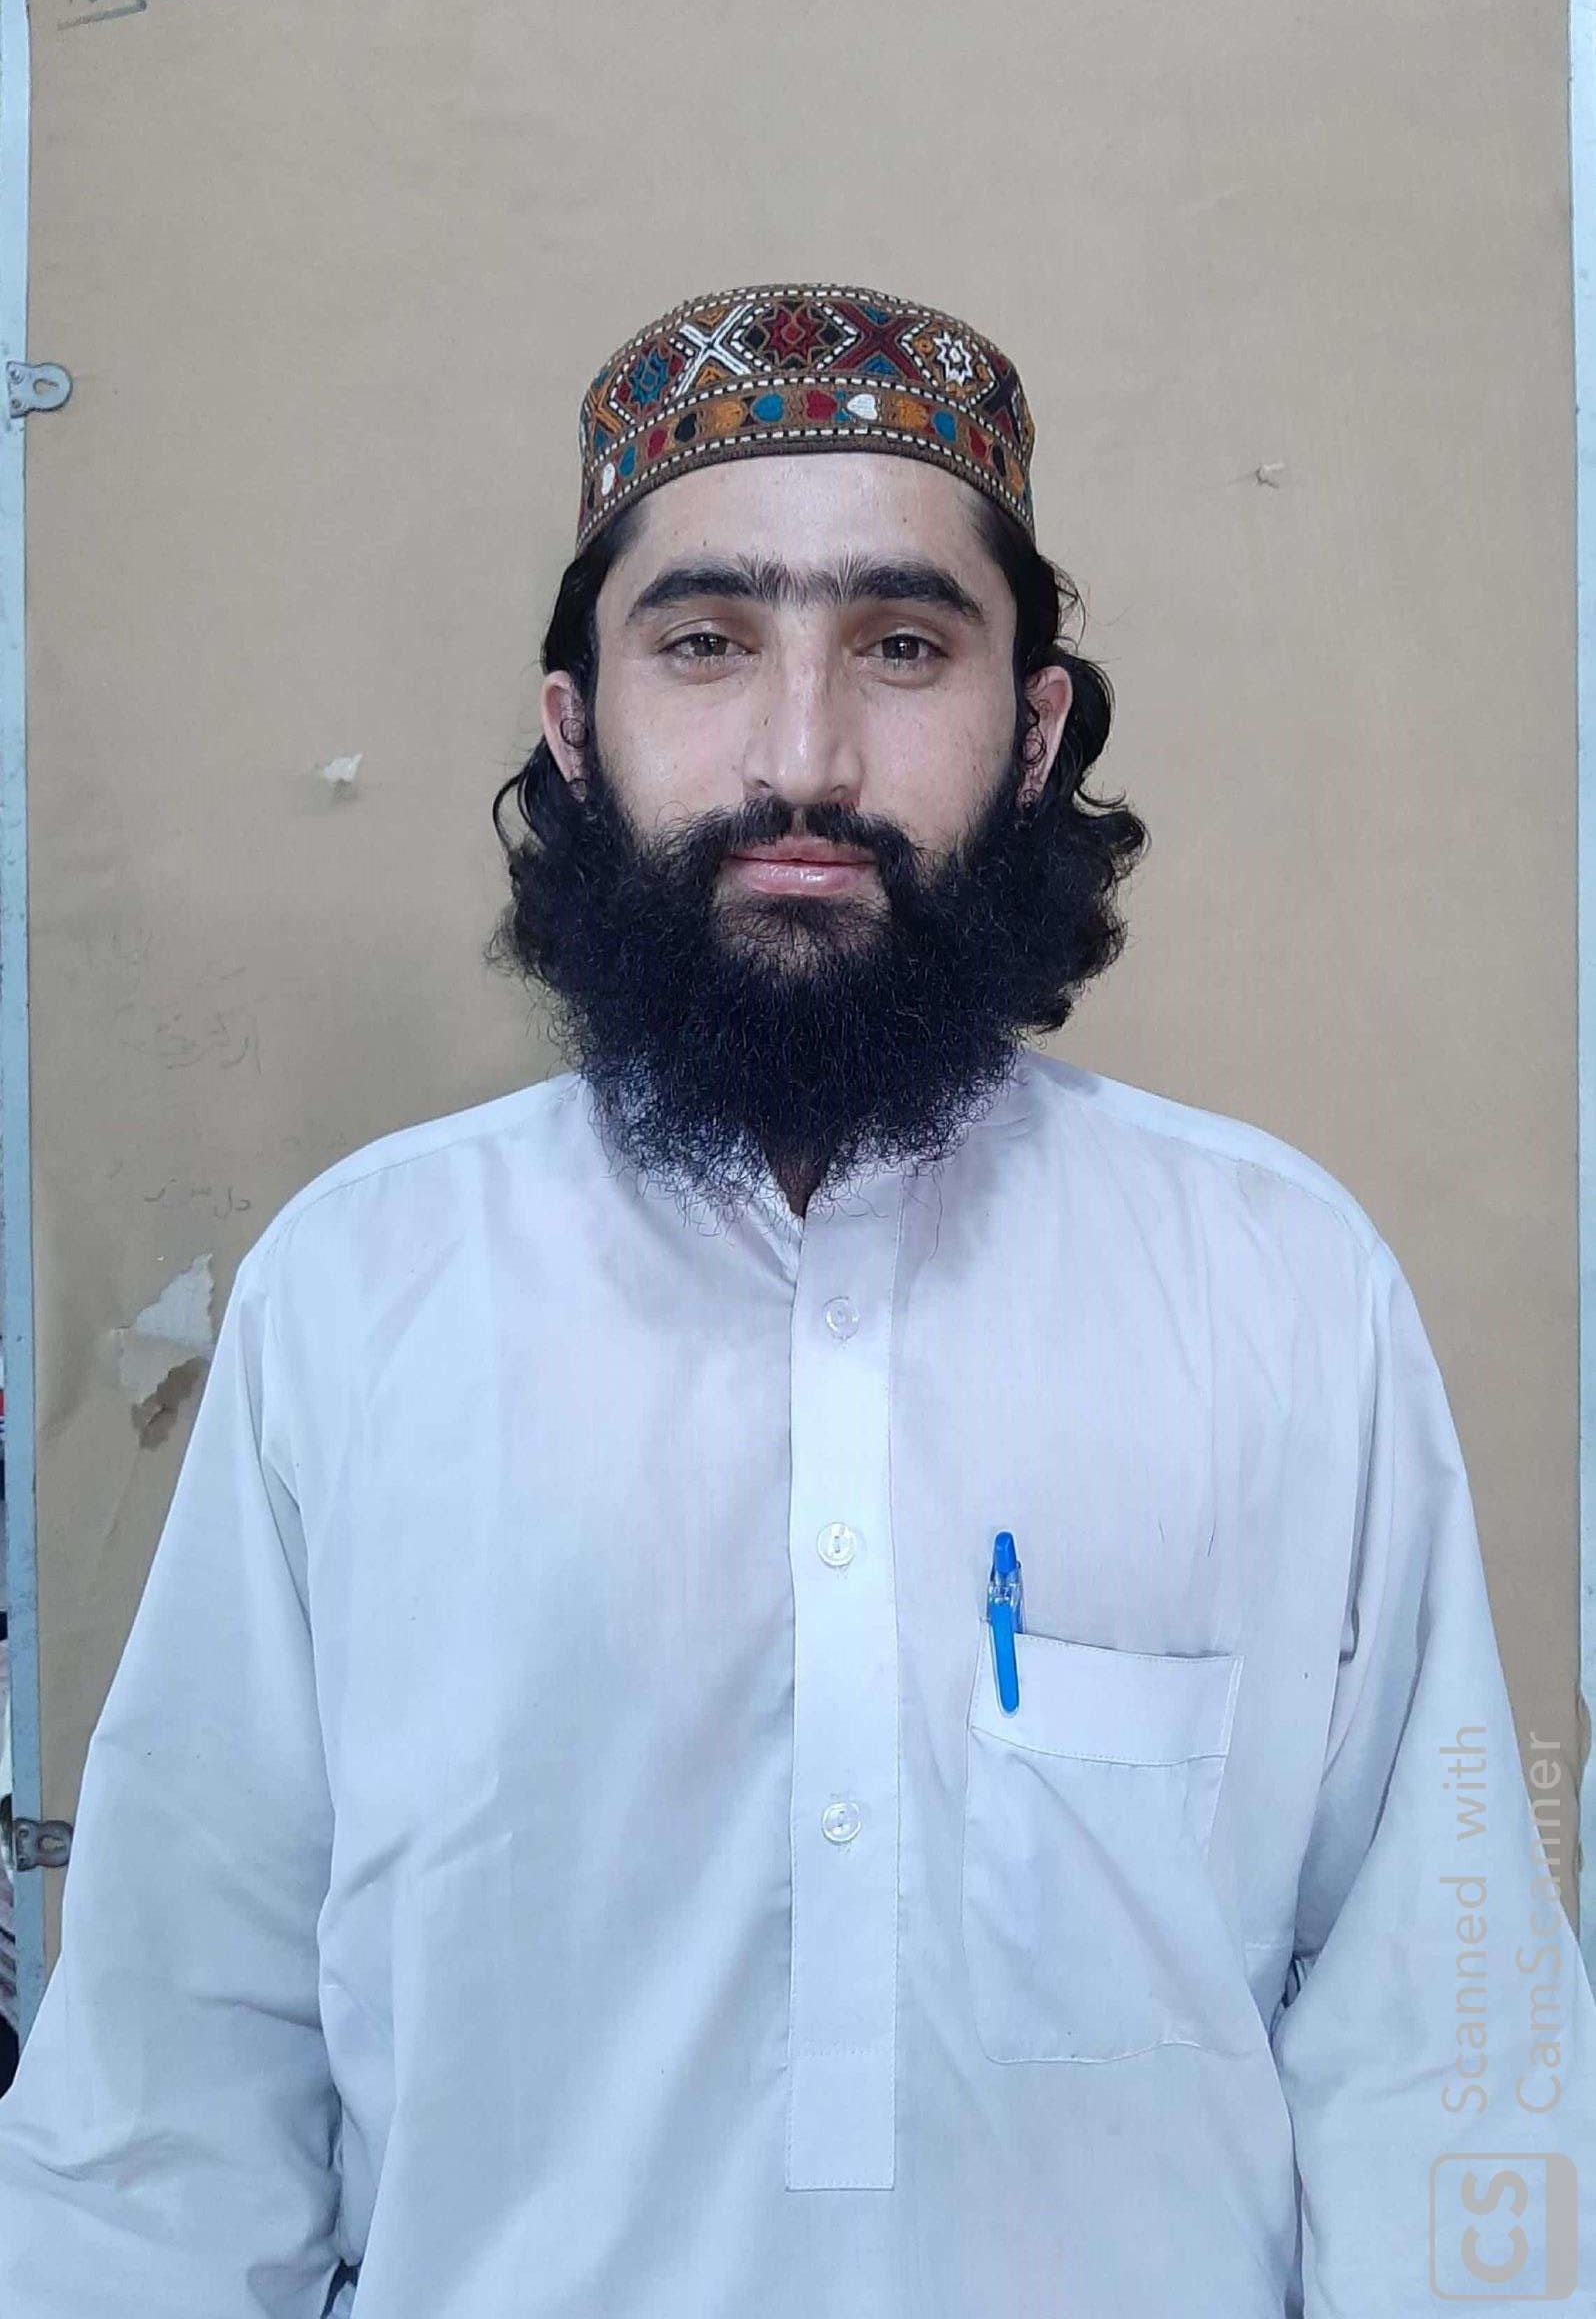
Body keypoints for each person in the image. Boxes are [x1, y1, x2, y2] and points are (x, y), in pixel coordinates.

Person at [0, 279, 1590, 2316]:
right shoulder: (362, 1292)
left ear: (1033, 734)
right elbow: (168, 2118)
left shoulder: (1279, 1287)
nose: (804, 755)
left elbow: (1452, 2082)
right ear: (576, 732)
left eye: (902, 646)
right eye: (706, 642)